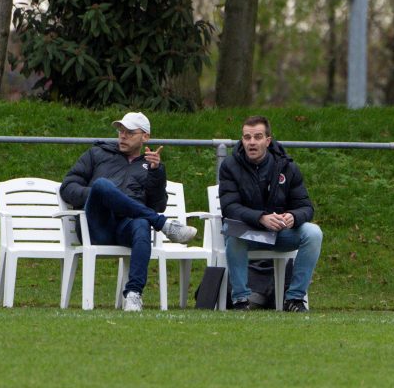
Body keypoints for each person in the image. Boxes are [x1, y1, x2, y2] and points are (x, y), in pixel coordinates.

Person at [60, 112, 197, 311]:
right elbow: (68, 187)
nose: (122, 136)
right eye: (120, 131)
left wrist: (156, 173)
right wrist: (98, 195)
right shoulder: (97, 154)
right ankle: (163, 225)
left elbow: (157, 206)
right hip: (97, 227)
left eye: (130, 132)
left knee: (142, 223)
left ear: (145, 137)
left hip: (126, 228)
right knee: (102, 185)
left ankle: (133, 295)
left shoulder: (150, 166)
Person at [218, 115, 323, 312]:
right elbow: (230, 208)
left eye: (257, 137)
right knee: (233, 236)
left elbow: (306, 207)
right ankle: (241, 300)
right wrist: (260, 218)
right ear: (242, 140)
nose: (251, 142)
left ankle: (294, 299)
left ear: (268, 140)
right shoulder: (230, 166)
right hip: (248, 233)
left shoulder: (287, 166)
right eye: (247, 137)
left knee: (313, 233)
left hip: (280, 234)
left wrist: (293, 216)